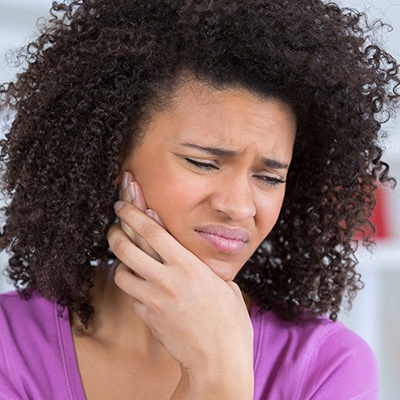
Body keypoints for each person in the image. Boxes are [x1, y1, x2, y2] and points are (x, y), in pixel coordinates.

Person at [0, 0, 399, 398]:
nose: (240, 207)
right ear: (111, 156)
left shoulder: (327, 366)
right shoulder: (9, 347)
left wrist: (218, 367)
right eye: (203, 163)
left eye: (268, 177)